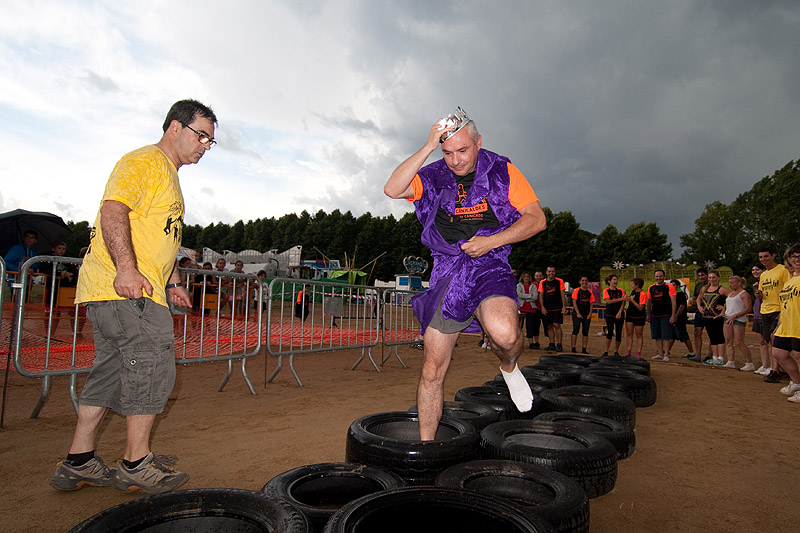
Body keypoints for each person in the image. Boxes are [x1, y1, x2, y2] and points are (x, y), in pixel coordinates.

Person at [50, 99, 217, 494]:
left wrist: (174, 281)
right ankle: (135, 463)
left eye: (211, 141)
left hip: (119, 292)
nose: (206, 146)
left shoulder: (168, 175)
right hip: (127, 291)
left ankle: (79, 460)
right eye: (202, 135)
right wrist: (126, 269)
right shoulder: (146, 162)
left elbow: (162, 239)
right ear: (175, 127)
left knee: (108, 374)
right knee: (154, 365)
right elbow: (113, 210)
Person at [383, 106, 546, 440]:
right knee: (432, 367)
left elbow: (536, 219)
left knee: (505, 335)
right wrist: (428, 146)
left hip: (490, 262)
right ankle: (427, 448)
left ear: (479, 142)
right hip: (448, 270)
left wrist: (492, 242)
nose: (455, 160)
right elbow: (392, 189)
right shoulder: (432, 175)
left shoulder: (503, 171)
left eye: (463, 150)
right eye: (447, 152)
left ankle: (509, 366)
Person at [756, 246, 791, 383]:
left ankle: (776, 370)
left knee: (775, 339)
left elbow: (788, 289)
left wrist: (783, 311)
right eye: (761, 257)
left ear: (773, 256)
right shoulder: (764, 274)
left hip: (778, 309)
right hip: (765, 310)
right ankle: (775, 368)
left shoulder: (782, 270)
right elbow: (763, 293)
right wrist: (759, 295)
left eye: (766, 256)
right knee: (769, 341)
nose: (763, 259)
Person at [772, 244, 800, 402]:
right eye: (793, 257)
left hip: (798, 325)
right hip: (787, 325)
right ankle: (797, 383)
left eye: (799, 256)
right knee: (778, 353)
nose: (797, 260)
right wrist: (779, 325)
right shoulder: (790, 281)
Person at [697, 271, 730, 366]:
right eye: (710, 278)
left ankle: (721, 357)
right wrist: (699, 306)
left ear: (718, 278)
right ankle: (714, 357)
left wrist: (724, 308)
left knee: (719, 337)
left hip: (717, 317)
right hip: (707, 316)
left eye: (714, 277)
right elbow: (699, 297)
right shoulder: (705, 288)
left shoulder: (722, 289)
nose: (712, 279)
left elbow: (732, 298)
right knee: (712, 337)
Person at [722, 275, 753, 370]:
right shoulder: (730, 294)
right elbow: (728, 306)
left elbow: (748, 308)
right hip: (728, 318)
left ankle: (749, 362)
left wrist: (735, 315)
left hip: (738, 319)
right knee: (728, 341)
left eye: (732, 283)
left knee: (739, 342)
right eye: (730, 283)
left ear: (739, 283)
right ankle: (730, 361)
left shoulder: (744, 294)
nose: (730, 285)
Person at [647, 269, 677, 361]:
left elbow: (674, 301)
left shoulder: (669, 287)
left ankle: (666, 354)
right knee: (657, 335)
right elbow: (649, 302)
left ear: (664, 276)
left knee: (666, 335)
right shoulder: (651, 288)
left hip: (666, 314)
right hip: (655, 314)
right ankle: (660, 353)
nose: (658, 278)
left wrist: (673, 315)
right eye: (657, 276)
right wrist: (648, 313)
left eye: (660, 276)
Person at [539, 266, 567, 352]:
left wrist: (564, 306)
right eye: (549, 271)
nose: (551, 273)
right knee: (549, 326)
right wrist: (542, 307)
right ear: (546, 272)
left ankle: (559, 344)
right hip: (547, 308)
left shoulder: (560, 281)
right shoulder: (542, 282)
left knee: (557, 325)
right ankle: (552, 344)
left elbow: (562, 294)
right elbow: (541, 295)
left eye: (553, 271)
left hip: (557, 307)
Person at [751, 263, 771, 375]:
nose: (755, 272)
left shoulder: (768, 282)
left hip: (766, 313)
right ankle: (764, 365)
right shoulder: (755, 285)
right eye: (753, 270)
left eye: (757, 269)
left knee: (768, 342)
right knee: (761, 342)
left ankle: (772, 367)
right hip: (757, 314)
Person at [666, 279, 695, 360]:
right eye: (671, 285)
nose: (672, 287)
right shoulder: (673, 294)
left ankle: (691, 352)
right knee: (672, 335)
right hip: (675, 317)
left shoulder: (680, 294)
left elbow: (682, 306)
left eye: (674, 285)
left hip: (680, 318)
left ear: (678, 286)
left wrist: (675, 316)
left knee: (683, 335)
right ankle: (667, 351)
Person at [685, 267, 708, 362]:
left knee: (711, 334)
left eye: (703, 275)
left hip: (710, 311)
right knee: (697, 332)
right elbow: (695, 296)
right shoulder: (698, 285)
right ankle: (698, 354)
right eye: (699, 275)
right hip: (699, 310)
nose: (701, 277)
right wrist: (693, 300)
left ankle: (710, 354)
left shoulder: (712, 285)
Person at [602, 274, 626, 356]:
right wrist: (621, 299)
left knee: (619, 332)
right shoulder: (606, 291)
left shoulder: (620, 290)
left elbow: (624, 301)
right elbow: (608, 301)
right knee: (610, 331)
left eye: (616, 280)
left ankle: (616, 351)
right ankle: (606, 351)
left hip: (619, 313)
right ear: (609, 281)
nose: (615, 281)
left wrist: (620, 312)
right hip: (610, 313)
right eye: (614, 280)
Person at [570, 276, 594, 354]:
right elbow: (574, 302)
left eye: (586, 281)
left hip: (586, 314)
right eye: (582, 280)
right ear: (580, 282)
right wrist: (578, 313)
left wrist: (590, 314)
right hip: (577, 314)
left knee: (585, 331)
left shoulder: (589, 292)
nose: (584, 282)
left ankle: (584, 348)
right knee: (575, 330)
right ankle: (573, 347)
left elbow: (591, 304)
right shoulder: (576, 290)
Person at [624, 278, 647, 358]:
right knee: (629, 333)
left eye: (633, 284)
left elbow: (641, 307)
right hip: (630, 315)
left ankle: (638, 352)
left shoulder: (643, 294)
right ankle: (629, 350)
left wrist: (632, 301)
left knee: (639, 334)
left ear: (637, 285)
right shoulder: (633, 292)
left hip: (639, 316)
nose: (631, 285)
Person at [516, 272, 540, 349]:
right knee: (518, 326)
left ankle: (531, 342)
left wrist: (525, 297)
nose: (526, 278)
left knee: (530, 326)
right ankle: (517, 341)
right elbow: (519, 295)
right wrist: (530, 296)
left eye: (527, 277)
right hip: (522, 307)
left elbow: (535, 297)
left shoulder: (533, 286)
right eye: (525, 277)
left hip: (531, 307)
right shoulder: (519, 285)